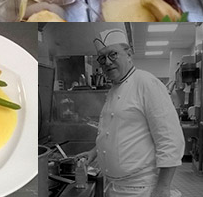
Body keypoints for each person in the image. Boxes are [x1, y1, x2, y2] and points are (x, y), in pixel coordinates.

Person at [78, 29, 184, 197]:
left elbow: (171, 139)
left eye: (113, 54)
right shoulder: (114, 88)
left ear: (129, 54)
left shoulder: (146, 83)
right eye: (102, 58)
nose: (107, 62)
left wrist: (163, 188)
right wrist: (93, 153)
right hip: (115, 186)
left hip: (141, 189)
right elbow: (114, 132)